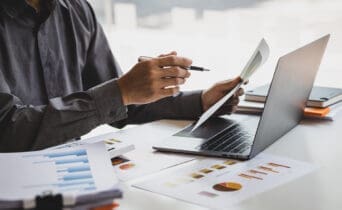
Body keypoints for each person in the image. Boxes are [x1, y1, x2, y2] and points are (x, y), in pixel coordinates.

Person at [0, 0, 243, 152]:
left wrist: (202, 101)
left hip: (73, 173)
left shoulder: (76, 10)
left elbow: (120, 105)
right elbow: (7, 129)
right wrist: (121, 91)